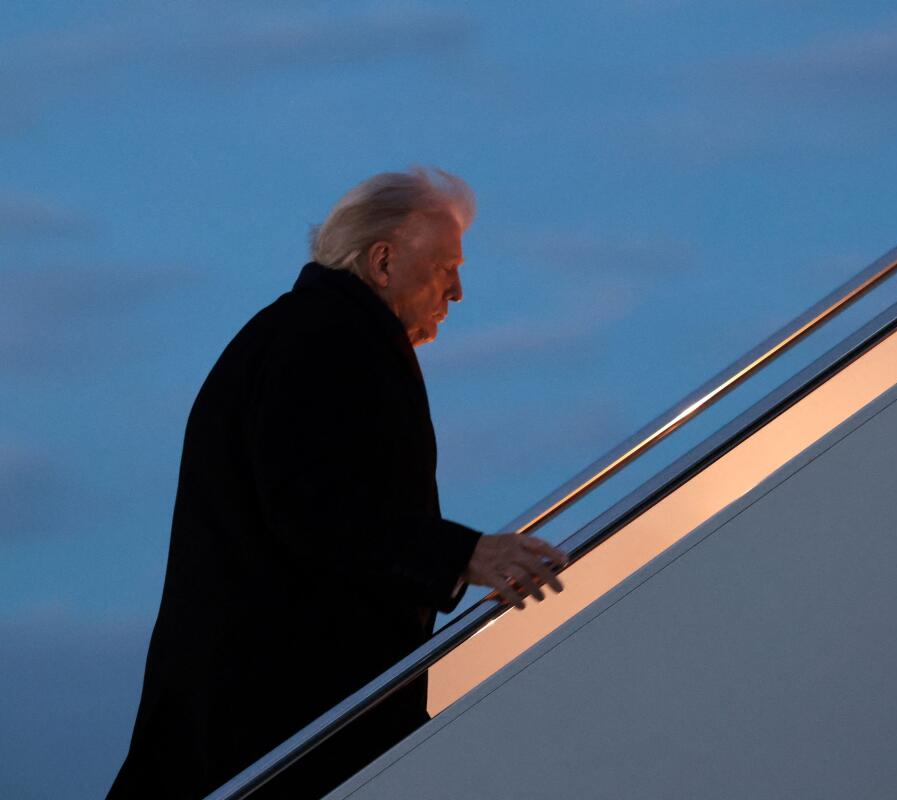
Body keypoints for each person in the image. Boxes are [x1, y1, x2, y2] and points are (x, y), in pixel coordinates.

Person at [107, 168, 567, 800]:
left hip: (259, 716)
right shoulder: (324, 339)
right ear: (382, 262)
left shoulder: (306, 333)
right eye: (443, 268)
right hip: (282, 720)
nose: (457, 291)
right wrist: (465, 554)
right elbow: (313, 506)